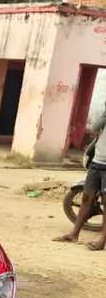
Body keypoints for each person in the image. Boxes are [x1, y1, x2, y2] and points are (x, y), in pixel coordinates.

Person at [55, 104, 106, 251]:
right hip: (96, 162)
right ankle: (74, 233)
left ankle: (102, 240)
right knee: (86, 198)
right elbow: (94, 128)